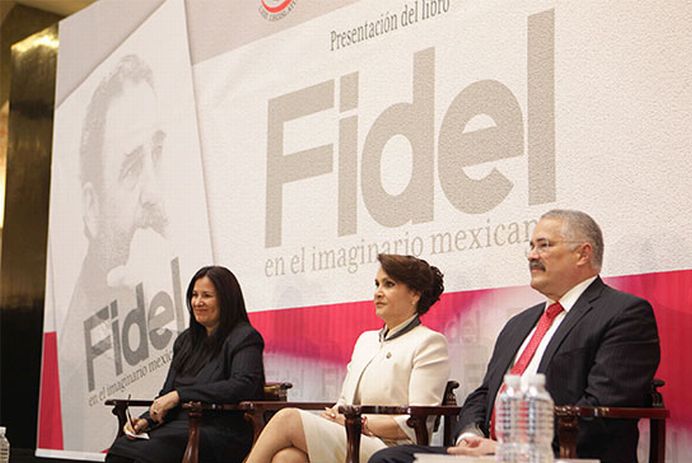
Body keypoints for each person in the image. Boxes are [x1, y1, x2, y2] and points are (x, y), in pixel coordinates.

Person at [371, 209, 660, 463]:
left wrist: (513, 449)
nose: (532, 255)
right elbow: (483, 395)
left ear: (582, 253)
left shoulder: (623, 314)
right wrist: (469, 437)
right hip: (489, 453)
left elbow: (598, 412)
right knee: (389, 459)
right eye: (531, 246)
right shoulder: (519, 323)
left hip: (560, 455)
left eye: (544, 245)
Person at [245, 254, 450, 463]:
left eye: (389, 285)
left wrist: (359, 423)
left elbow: (416, 421)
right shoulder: (366, 340)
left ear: (415, 294)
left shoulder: (429, 342)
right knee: (287, 458)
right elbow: (344, 402)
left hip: (392, 447)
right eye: (377, 284)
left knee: (288, 418)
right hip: (352, 434)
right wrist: (334, 416)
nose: (378, 293)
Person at [105, 265, 265, 463]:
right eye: (194, 295)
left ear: (227, 300)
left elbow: (243, 385)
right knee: (122, 449)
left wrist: (181, 395)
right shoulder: (185, 341)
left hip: (220, 431)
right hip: (177, 427)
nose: (198, 302)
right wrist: (146, 420)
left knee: (150, 452)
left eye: (206, 295)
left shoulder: (245, 337)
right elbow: (166, 392)